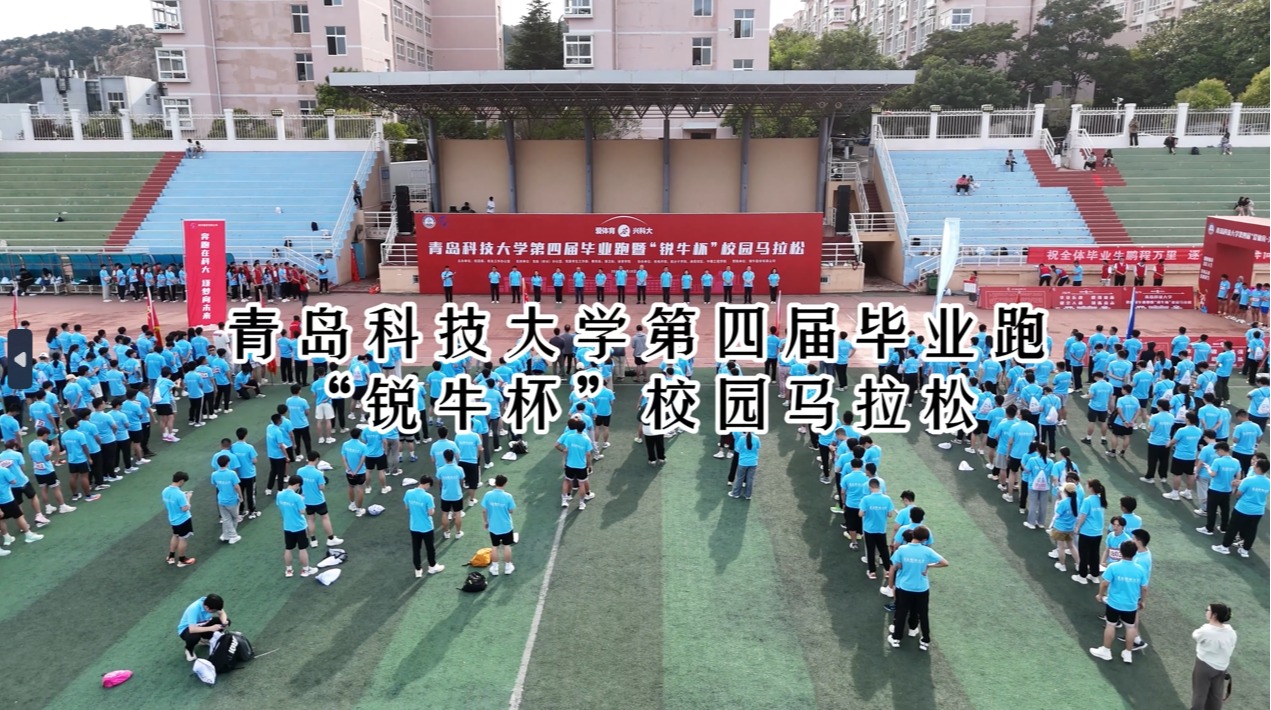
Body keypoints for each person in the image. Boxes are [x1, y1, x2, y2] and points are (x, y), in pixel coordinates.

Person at [886, 526, 947, 651]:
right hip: (922, 588)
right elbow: (945, 563)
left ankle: (896, 638)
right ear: (924, 539)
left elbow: (895, 565)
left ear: (913, 535)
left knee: (901, 612)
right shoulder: (927, 551)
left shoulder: (902, 549)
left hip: (905, 587)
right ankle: (925, 641)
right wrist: (929, 566)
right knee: (923, 614)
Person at [1089, 540, 1148, 664]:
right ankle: (1128, 653)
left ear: (1121, 552)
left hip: (1114, 604)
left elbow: (1105, 583)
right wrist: (1142, 601)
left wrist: (1100, 595)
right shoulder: (1140, 570)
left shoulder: (1113, 567)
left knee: (1110, 625)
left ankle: (1106, 651)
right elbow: (1144, 588)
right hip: (1131, 605)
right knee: (1130, 627)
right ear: (1134, 553)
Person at [1213, 457, 1269, 558]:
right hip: (1258, 511)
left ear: (1258, 467)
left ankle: (1225, 547)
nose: (1253, 465)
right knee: (1251, 530)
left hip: (1243, 509)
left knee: (1233, 528)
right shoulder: (1268, 482)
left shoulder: (1249, 480)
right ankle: (1245, 550)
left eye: (1255, 464)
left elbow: (1239, 493)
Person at [1192, 603, 1237, 710]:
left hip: (1204, 666)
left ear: (1214, 615)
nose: (1206, 612)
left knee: (1199, 694)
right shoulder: (1231, 632)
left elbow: (1195, 635)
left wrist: (1207, 626)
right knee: (1216, 697)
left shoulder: (1206, 630)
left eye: (1208, 610)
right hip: (1221, 668)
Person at [298, 451, 344, 549]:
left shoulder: (300, 471)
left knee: (310, 519)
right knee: (325, 518)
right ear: (317, 459)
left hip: (306, 500)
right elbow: (321, 487)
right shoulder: (318, 473)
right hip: (318, 500)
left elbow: (300, 484)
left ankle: (313, 540)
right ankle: (331, 539)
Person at [277, 474, 318, 578]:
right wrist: (301, 500)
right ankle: (305, 570)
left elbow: (279, 506)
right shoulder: (297, 497)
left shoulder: (279, 494)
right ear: (297, 484)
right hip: (299, 526)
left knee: (288, 548)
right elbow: (302, 511)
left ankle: (288, 570)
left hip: (287, 526)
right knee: (302, 548)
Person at [405, 475, 443, 577]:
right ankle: (432, 566)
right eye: (429, 486)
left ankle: (418, 570)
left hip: (414, 526)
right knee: (430, 548)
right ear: (427, 484)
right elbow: (431, 513)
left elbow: (407, 507)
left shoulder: (408, 493)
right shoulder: (428, 497)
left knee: (416, 549)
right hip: (426, 527)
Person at [481, 474, 516, 576]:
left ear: (495, 482)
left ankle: (495, 568)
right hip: (506, 526)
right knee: (507, 546)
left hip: (493, 526)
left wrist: (485, 522)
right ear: (505, 483)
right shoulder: (508, 496)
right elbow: (511, 510)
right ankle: (508, 567)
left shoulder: (488, 495)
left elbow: (484, 510)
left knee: (494, 547)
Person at [556, 418, 595, 511]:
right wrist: (590, 465)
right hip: (581, 466)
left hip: (570, 464)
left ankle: (564, 500)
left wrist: (564, 461)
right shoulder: (586, 439)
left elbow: (566, 450)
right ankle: (581, 503)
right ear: (584, 428)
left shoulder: (569, 437)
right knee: (581, 484)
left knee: (567, 481)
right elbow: (588, 454)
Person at [177, 595, 228, 662]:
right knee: (194, 637)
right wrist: (211, 628)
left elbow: (222, 613)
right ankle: (188, 649)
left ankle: (204, 640)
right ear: (207, 608)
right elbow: (192, 629)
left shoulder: (211, 602)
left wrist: (224, 622)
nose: (216, 612)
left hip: (203, 623)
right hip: (186, 629)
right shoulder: (194, 609)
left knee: (223, 622)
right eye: (214, 611)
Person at [163, 471, 195, 567]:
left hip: (173, 519)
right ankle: (182, 560)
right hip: (183, 520)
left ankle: (171, 557)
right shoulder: (179, 494)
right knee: (183, 538)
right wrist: (188, 497)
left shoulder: (165, 491)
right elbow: (185, 508)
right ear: (181, 481)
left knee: (175, 535)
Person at [210, 454, 242, 545]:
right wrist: (241, 496)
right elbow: (236, 486)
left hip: (221, 499)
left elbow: (214, 483)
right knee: (234, 517)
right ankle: (233, 536)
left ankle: (226, 535)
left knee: (226, 518)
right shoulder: (232, 473)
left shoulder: (214, 474)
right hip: (232, 499)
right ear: (228, 463)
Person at [436, 449, 465, 539]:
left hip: (445, 495)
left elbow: (439, 482)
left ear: (444, 458)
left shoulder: (440, 470)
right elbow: (461, 481)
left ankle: (447, 533)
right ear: (453, 457)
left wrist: (442, 489)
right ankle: (458, 533)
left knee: (445, 514)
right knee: (458, 514)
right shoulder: (459, 469)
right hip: (457, 495)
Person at [729, 431, 760, 500]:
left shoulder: (742, 438)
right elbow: (758, 447)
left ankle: (736, 494)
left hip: (743, 462)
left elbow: (737, 449)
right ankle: (748, 495)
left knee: (739, 478)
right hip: (753, 462)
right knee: (750, 479)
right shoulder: (756, 438)